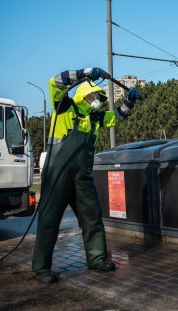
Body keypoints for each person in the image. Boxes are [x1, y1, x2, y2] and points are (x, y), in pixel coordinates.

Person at [32, 67, 141, 284]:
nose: (97, 100)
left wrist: (130, 101)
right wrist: (84, 72)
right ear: (83, 95)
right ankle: (42, 268)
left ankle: (97, 259)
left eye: (99, 97)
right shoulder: (64, 107)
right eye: (93, 96)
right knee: (49, 220)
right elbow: (54, 83)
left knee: (92, 217)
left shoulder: (95, 118)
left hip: (83, 175)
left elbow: (116, 117)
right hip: (58, 174)